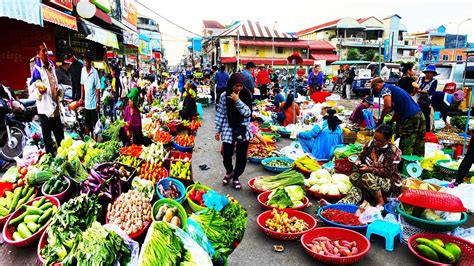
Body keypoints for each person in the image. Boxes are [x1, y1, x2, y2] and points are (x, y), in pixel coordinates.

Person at [334, 124, 402, 207]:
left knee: (366, 176)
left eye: (379, 141)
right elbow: (361, 156)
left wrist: (369, 169)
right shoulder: (370, 144)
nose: (376, 142)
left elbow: (387, 172)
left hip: (387, 182)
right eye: (375, 138)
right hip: (368, 179)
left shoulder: (393, 152)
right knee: (355, 186)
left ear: (388, 141)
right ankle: (338, 206)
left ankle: (380, 201)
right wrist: (358, 161)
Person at [215, 73, 252, 190]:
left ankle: (236, 176)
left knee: (241, 156)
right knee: (227, 153)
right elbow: (220, 113)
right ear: (231, 85)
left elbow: (247, 113)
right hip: (228, 126)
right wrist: (218, 130)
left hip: (242, 127)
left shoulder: (246, 95)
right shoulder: (224, 96)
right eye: (236, 86)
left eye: (241, 86)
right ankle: (229, 171)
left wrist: (237, 101)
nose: (239, 88)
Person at [371, 77, 425, 156]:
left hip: (410, 117)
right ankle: (417, 163)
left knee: (406, 142)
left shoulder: (385, 88)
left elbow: (387, 106)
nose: (377, 92)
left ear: (377, 85)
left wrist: (381, 118)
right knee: (419, 141)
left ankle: (403, 164)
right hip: (419, 114)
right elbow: (397, 112)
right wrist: (391, 121)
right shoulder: (394, 89)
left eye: (375, 90)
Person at [28, 43, 64, 155]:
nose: (45, 53)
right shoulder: (36, 70)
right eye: (43, 51)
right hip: (45, 111)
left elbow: (55, 82)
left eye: (46, 50)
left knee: (60, 137)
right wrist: (40, 91)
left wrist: (58, 90)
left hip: (55, 108)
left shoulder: (52, 66)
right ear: (38, 54)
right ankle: (50, 160)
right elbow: (32, 91)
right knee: (48, 140)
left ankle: (64, 157)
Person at [79, 51, 101, 137]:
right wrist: (81, 98)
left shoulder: (94, 72)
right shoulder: (83, 70)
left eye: (86, 61)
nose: (85, 62)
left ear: (90, 62)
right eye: (84, 60)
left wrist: (97, 103)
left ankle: (95, 140)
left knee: (95, 123)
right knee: (87, 123)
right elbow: (82, 85)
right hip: (86, 104)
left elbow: (98, 89)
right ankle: (88, 139)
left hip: (93, 104)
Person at [416, 64, 439, 132]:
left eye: (430, 73)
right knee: (418, 116)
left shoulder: (434, 81)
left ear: (433, 74)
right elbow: (417, 86)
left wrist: (421, 91)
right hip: (418, 100)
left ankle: (427, 131)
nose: (428, 74)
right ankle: (418, 129)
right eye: (427, 72)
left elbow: (431, 91)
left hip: (426, 102)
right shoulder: (420, 78)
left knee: (426, 117)